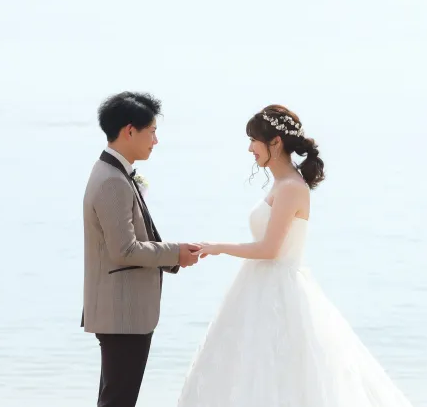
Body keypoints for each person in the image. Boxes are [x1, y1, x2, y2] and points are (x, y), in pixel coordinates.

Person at [177, 104, 414, 406]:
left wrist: (218, 247)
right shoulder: (281, 184)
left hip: (279, 289)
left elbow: (270, 249)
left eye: (254, 140)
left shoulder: (291, 187)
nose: (249, 148)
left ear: (275, 142)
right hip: (259, 286)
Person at [81, 91, 200, 407]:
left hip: (122, 311)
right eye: (152, 132)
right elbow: (125, 250)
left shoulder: (113, 172)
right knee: (118, 401)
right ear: (129, 131)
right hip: (123, 312)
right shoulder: (112, 181)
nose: (156, 141)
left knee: (115, 399)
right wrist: (175, 253)